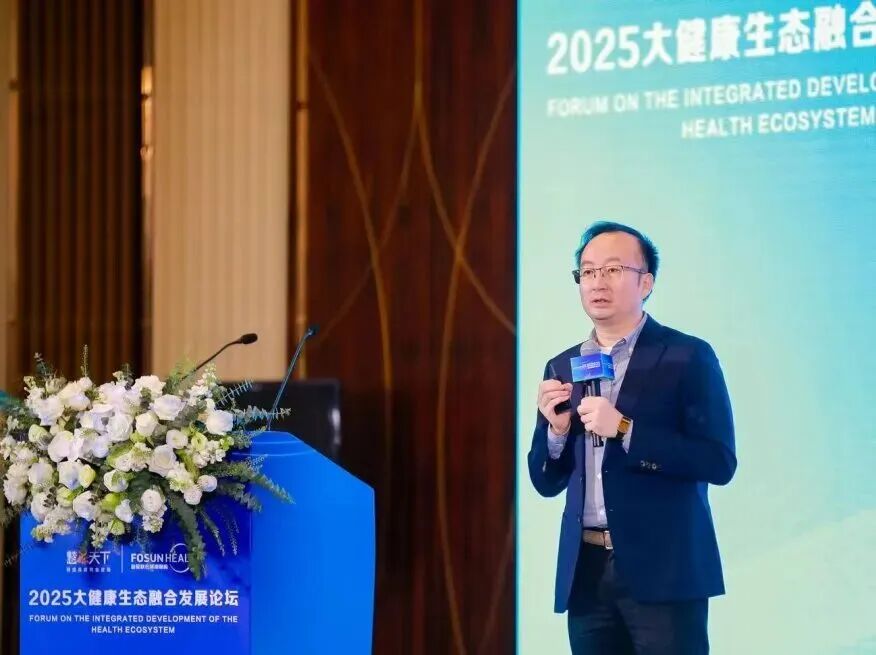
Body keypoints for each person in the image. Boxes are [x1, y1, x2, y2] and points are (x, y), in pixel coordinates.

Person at [528, 221, 736, 654]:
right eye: (587, 272)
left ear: (646, 283)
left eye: (613, 270)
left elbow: (718, 462)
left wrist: (625, 430)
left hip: (665, 571)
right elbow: (545, 481)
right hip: (586, 574)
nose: (597, 282)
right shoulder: (562, 366)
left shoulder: (687, 355)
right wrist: (557, 432)